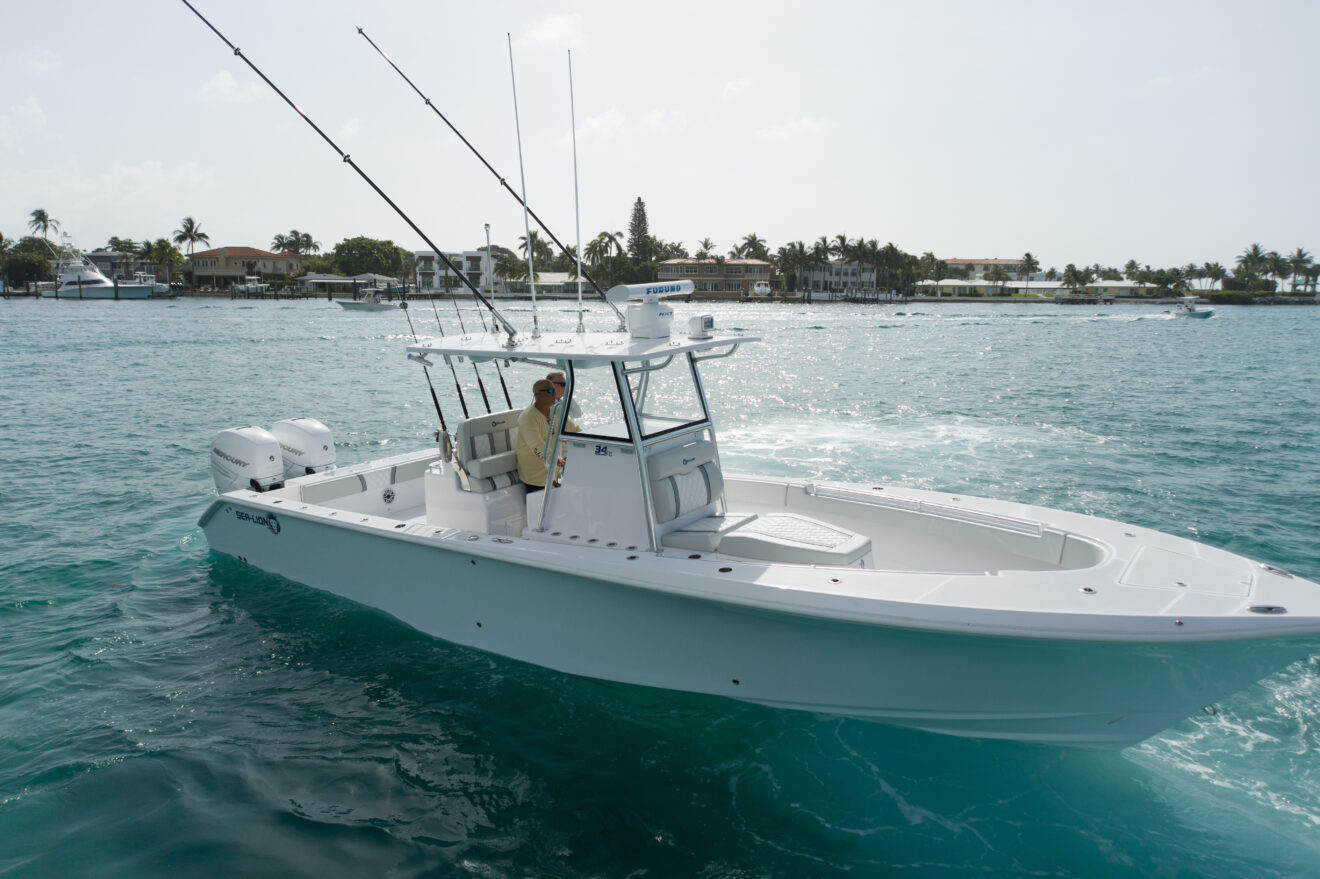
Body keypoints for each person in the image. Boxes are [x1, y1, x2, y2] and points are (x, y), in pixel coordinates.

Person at [516, 379, 580, 491]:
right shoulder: (528, 418)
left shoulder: (557, 409)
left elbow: (575, 430)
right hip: (535, 478)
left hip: (553, 473)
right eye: (551, 391)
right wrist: (557, 460)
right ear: (538, 394)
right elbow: (537, 446)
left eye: (554, 390)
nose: (555, 394)